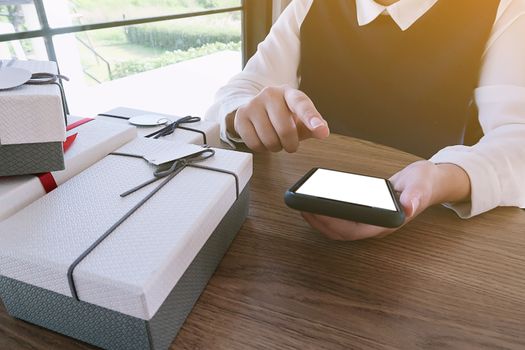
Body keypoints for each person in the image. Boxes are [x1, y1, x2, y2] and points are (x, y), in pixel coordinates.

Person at [206, 0, 525, 240]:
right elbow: (241, 91)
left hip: (436, 234)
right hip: (296, 221)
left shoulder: (502, 8)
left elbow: (517, 139)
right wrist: (243, 115)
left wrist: (441, 180)